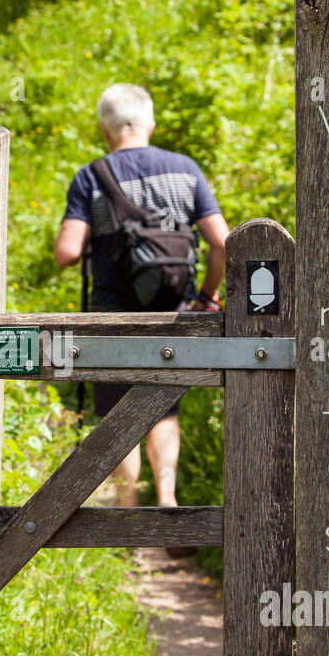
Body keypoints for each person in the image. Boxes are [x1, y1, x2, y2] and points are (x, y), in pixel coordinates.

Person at [54, 84, 229, 542]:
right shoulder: (185, 170)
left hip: (111, 319)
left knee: (116, 414)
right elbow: (223, 243)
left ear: (104, 129)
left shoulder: (91, 177)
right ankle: (167, 501)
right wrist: (206, 298)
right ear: (149, 122)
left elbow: (67, 252)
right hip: (174, 314)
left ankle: (129, 521)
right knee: (164, 409)